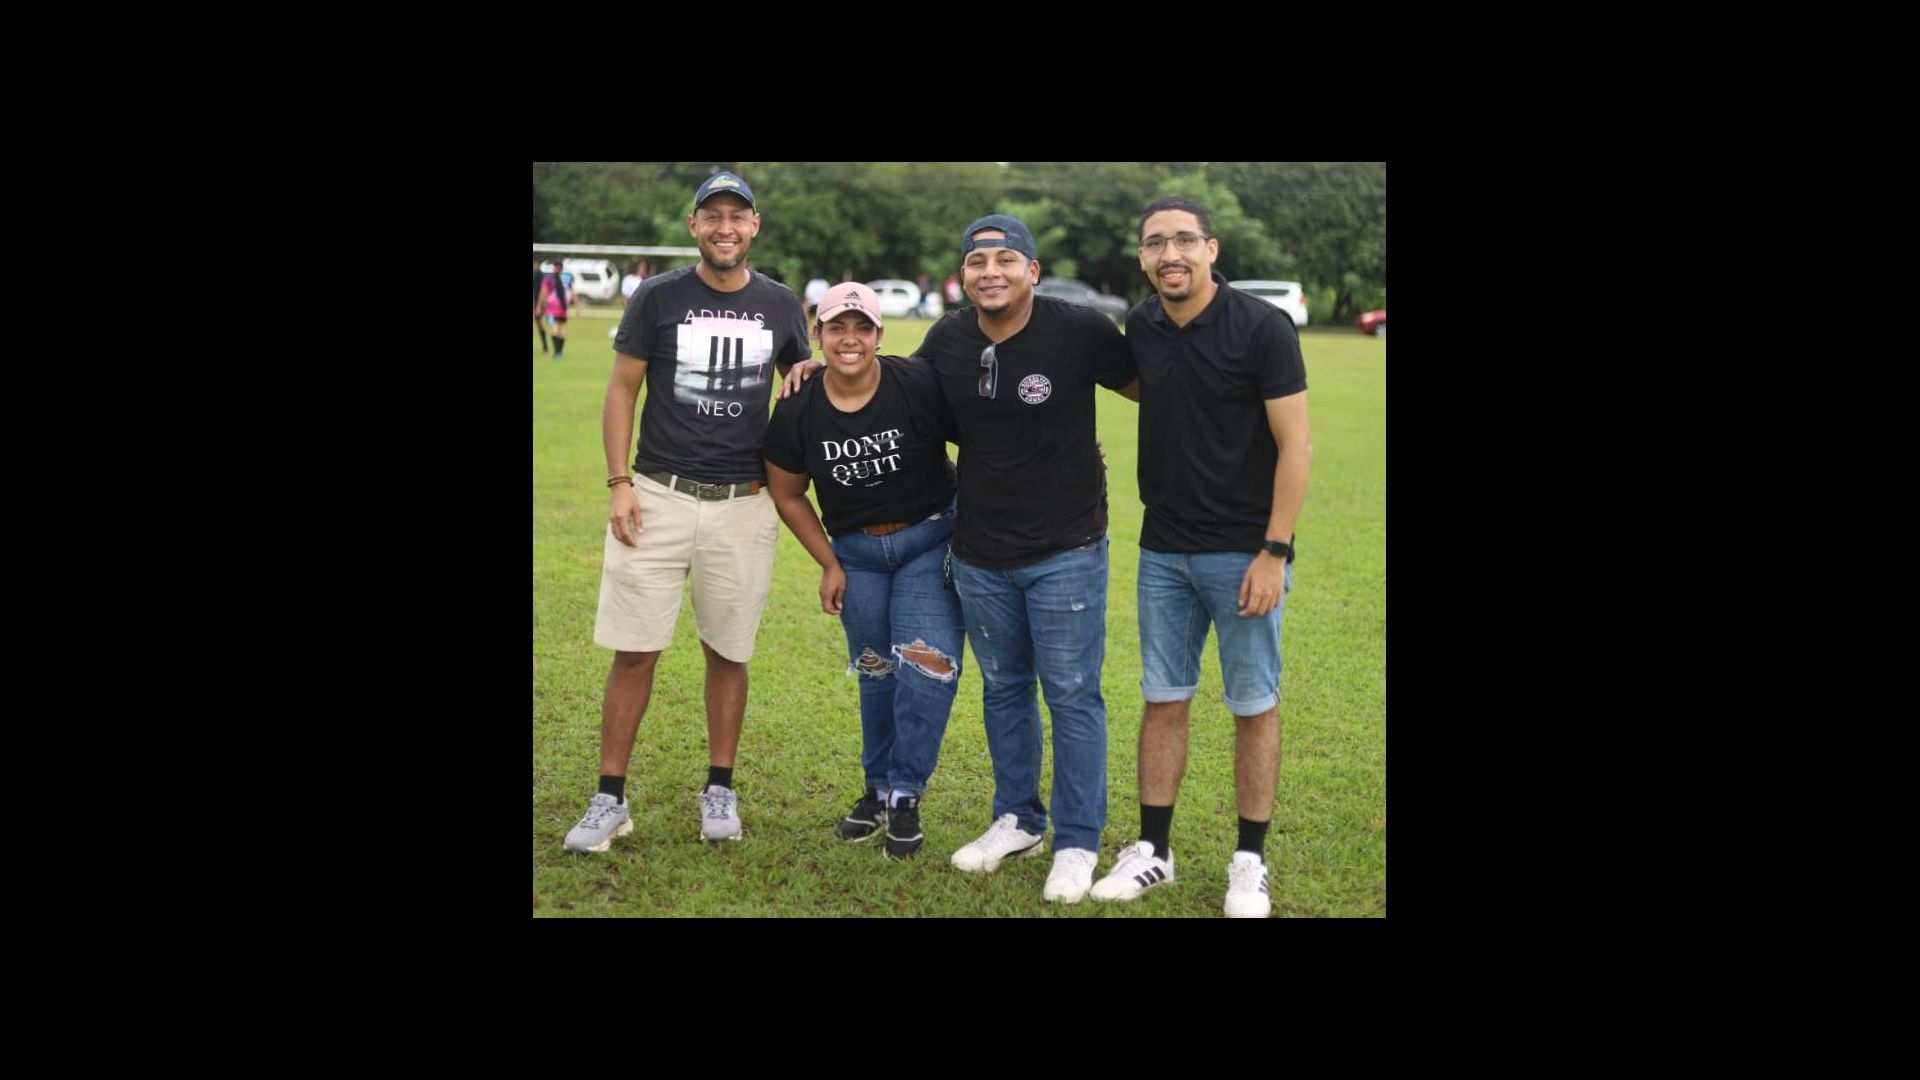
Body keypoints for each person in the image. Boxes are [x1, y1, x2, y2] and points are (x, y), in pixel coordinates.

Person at [563, 170, 810, 854]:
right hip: (657, 496)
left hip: (744, 503)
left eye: (738, 216)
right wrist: (619, 482)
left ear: (754, 226)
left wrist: (809, 371)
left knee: (728, 651)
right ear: (694, 225)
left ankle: (720, 789)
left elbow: (804, 381)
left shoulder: (781, 304)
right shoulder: (658, 296)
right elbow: (622, 390)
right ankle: (609, 798)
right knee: (634, 650)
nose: (725, 228)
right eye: (713, 216)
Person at [1087, 196, 1311, 919]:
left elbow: (1296, 445)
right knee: (1164, 698)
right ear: (1143, 257)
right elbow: (1155, 392)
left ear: (1212, 250)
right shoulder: (1144, 324)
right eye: (1156, 243)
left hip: (1245, 552)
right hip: (1163, 551)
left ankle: (1250, 861)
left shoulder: (1263, 327)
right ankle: (1154, 850)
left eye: (1185, 240)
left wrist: (1274, 550)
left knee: (1253, 705)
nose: (1170, 254)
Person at [915, 214, 1137, 904]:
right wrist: (812, 367)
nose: (991, 272)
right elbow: (899, 403)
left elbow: (1154, 389)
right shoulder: (947, 340)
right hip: (979, 552)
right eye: (976, 261)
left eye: (1006, 259)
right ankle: (1019, 819)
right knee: (1005, 687)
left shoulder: (1081, 330)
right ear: (962, 275)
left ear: (1032, 271)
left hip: (1066, 548)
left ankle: (1077, 841)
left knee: (1071, 693)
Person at [764, 282, 964, 860]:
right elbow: (787, 492)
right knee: (877, 672)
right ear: (818, 334)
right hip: (857, 554)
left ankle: (906, 794)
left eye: (862, 328)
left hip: (929, 540)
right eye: (837, 328)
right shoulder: (798, 406)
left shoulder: (916, 383)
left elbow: (985, 433)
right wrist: (828, 561)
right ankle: (877, 790)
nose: (849, 339)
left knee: (927, 664)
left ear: (879, 334)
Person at [538, 257, 578, 359]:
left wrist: (541, 305)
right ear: (562, 268)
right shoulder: (567, 278)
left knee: (554, 327)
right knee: (563, 328)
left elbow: (543, 293)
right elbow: (573, 293)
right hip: (563, 307)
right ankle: (560, 352)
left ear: (553, 267)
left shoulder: (548, 278)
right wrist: (577, 307)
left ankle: (556, 352)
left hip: (552, 307)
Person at [533, 257, 550, 354]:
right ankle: (545, 347)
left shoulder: (539, 274)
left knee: (539, 323)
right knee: (539, 323)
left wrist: (540, 305)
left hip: (536, 303)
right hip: (536, 303)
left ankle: (545, 347)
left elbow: (543, 290)